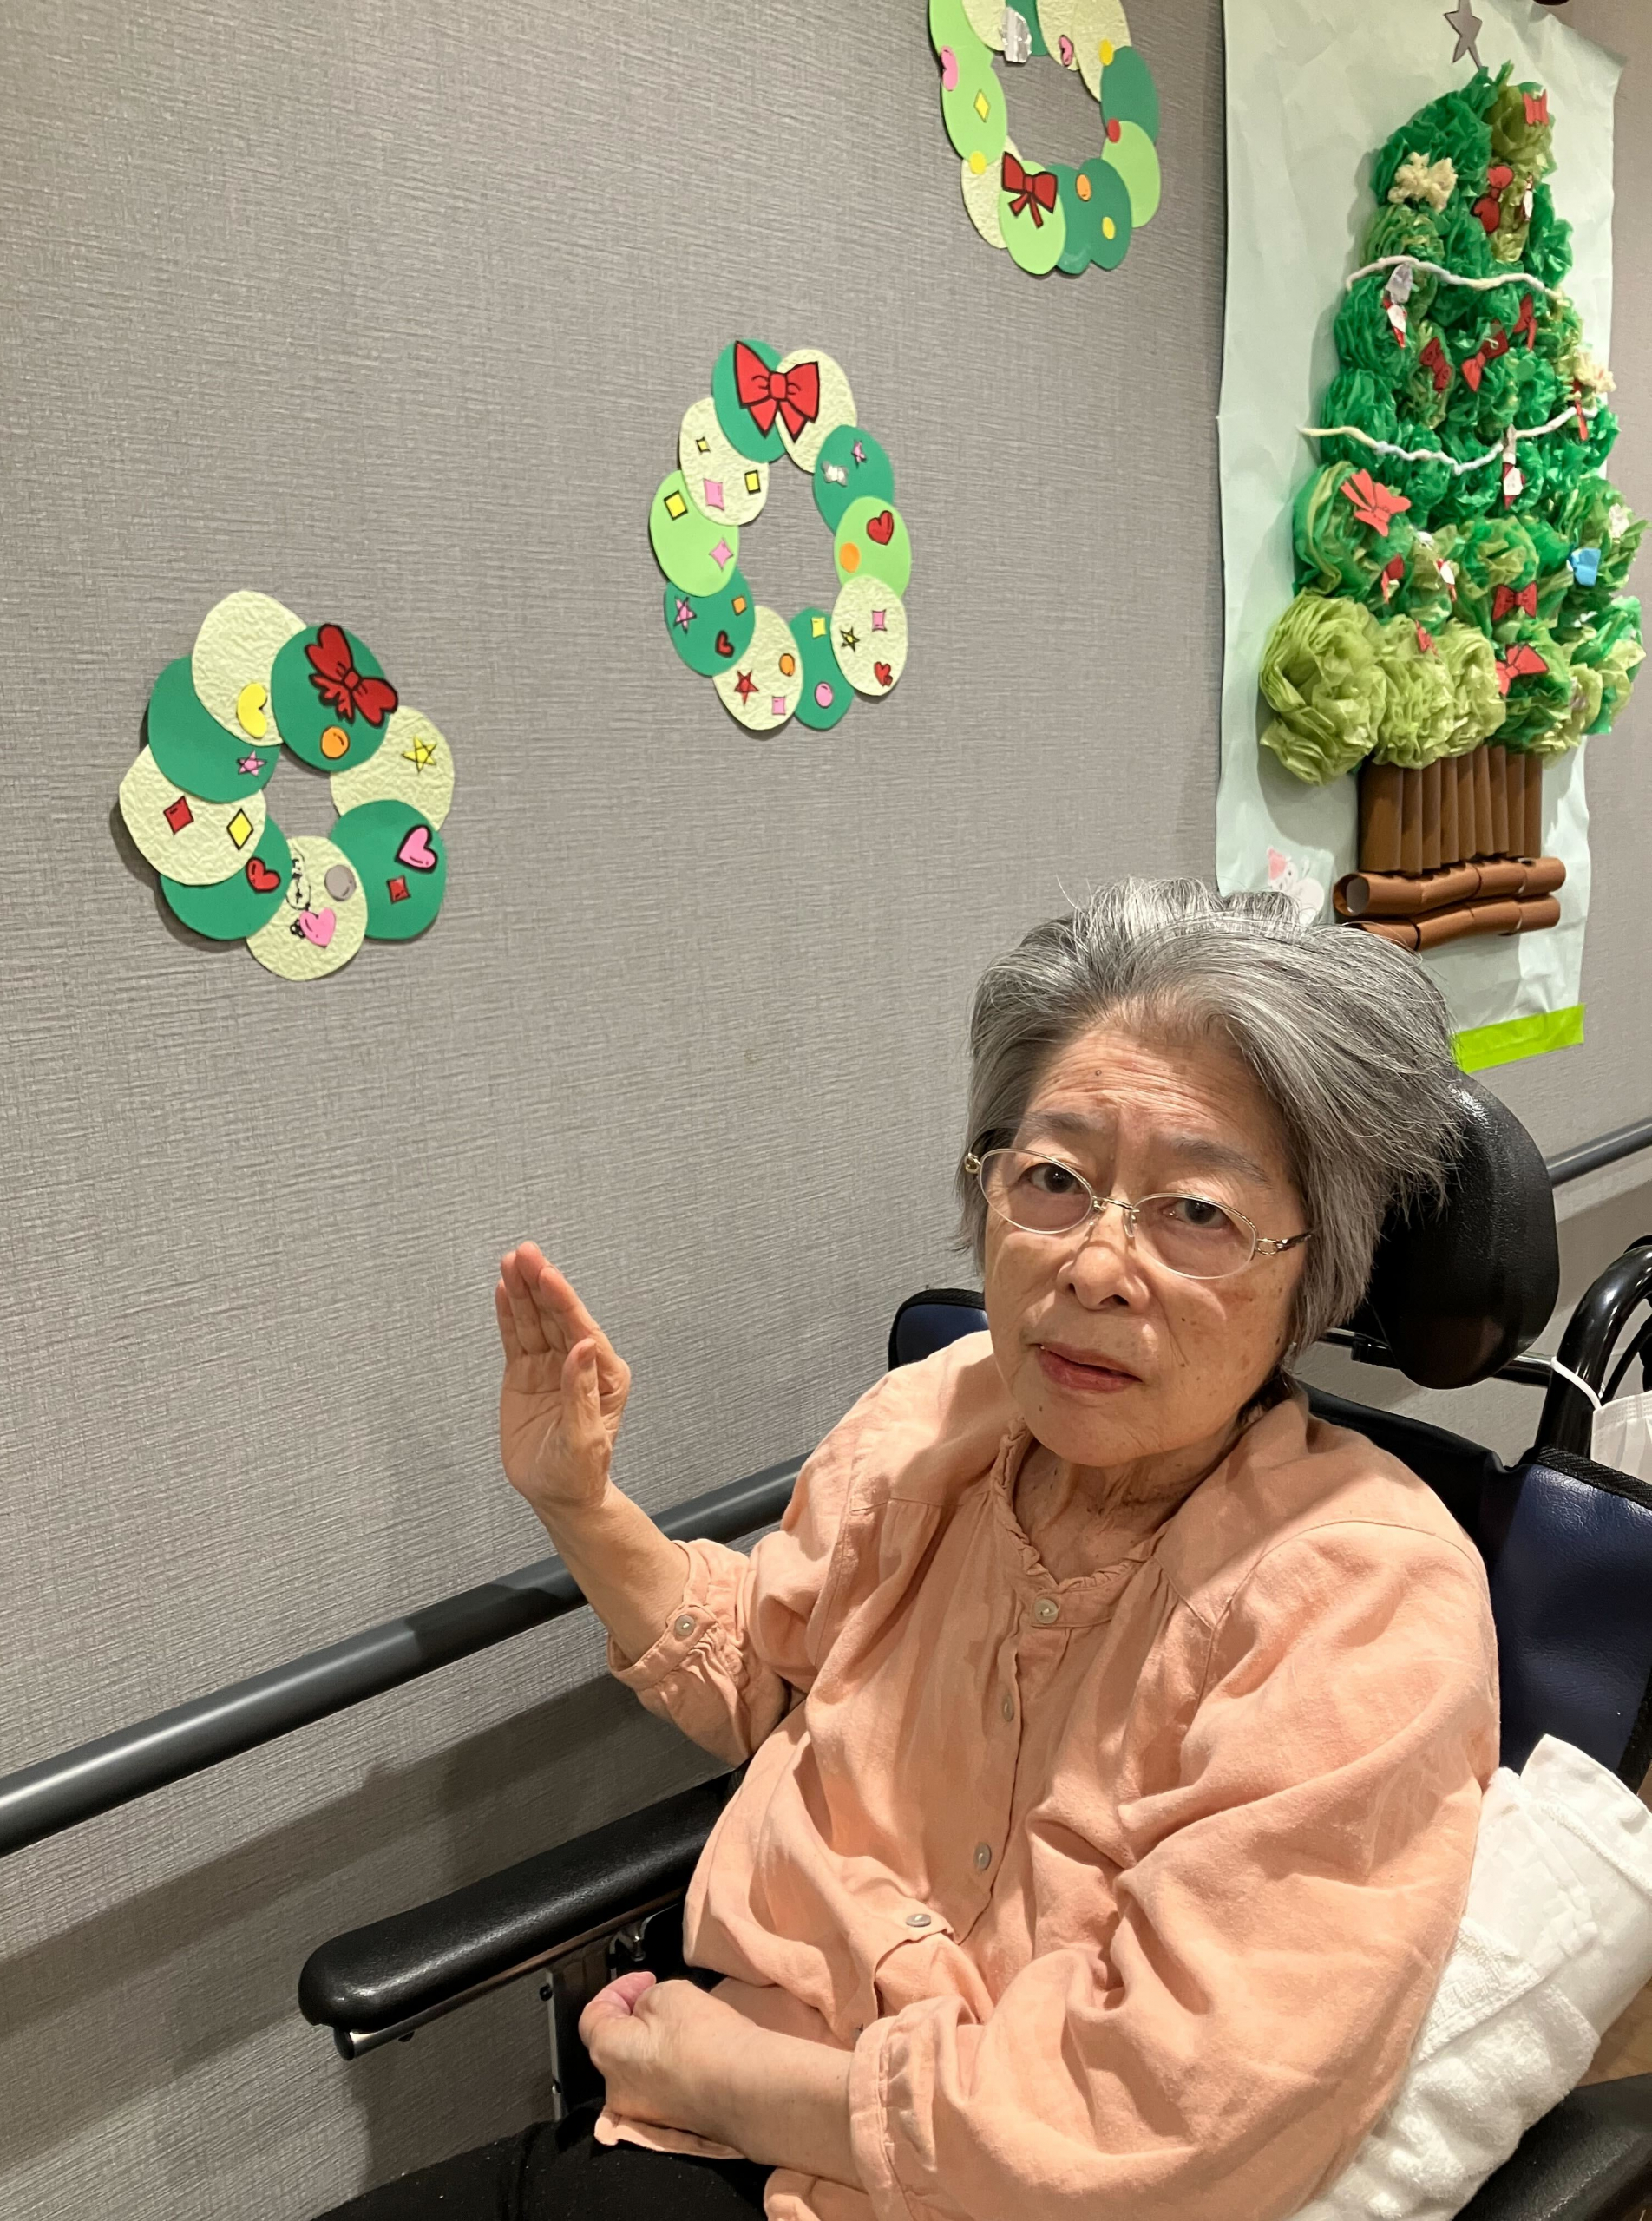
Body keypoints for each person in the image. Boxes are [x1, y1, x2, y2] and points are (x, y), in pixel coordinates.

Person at [323, 881, 1498, 2221]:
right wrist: (579, 1504)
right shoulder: (937, 1418)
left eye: (1196, 1211)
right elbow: (776, 1674)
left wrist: (731, 2085)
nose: (1095, 1265)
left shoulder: (1360, 1600)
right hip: (697, 2119)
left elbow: (1170, 2120)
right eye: (1053, 1180)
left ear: (1314, 1270)